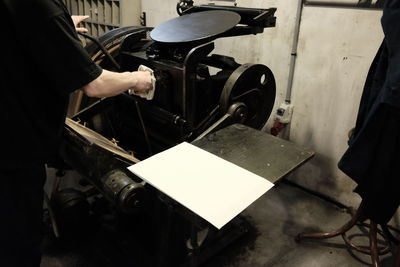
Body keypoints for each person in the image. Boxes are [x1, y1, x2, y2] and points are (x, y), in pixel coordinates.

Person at [0, 0, 153, 266]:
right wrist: (137, 80)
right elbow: (96, 84)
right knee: (18, 242)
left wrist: (59, 27)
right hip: (14, 152)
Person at [338, 0, 400, 225]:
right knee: (382, 157)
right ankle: (371, 210)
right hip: (393, 89)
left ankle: (372, 211)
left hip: (393, 89)